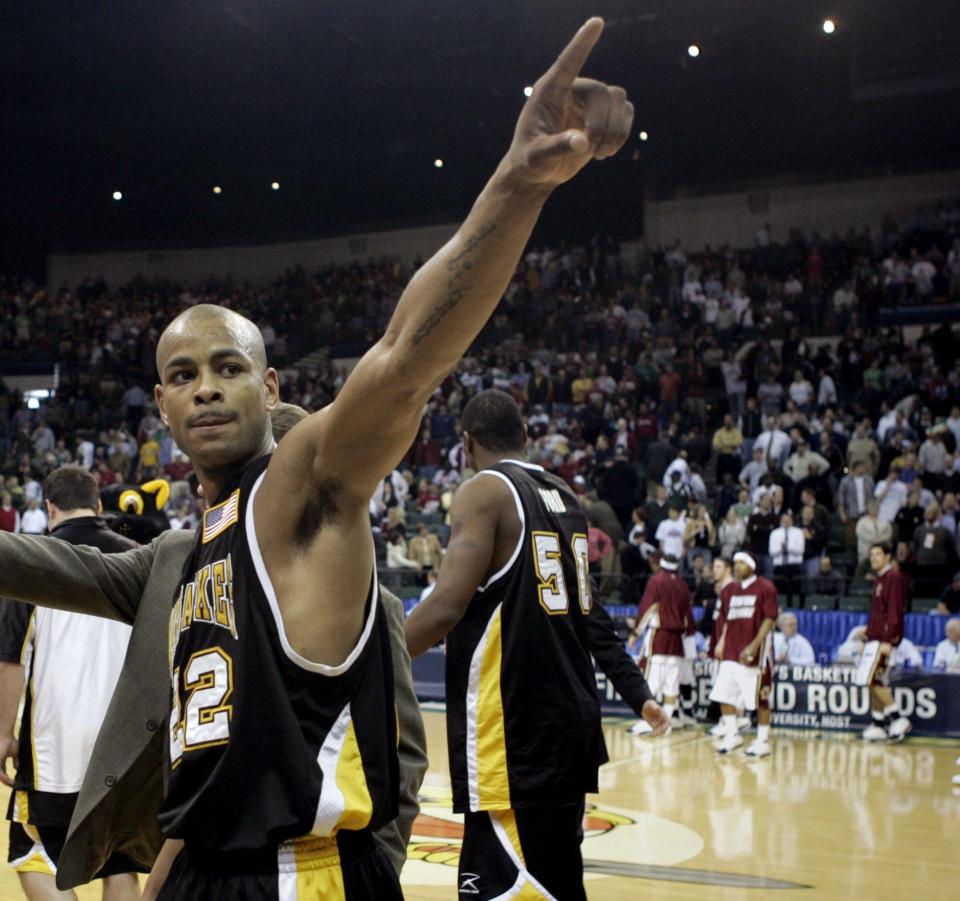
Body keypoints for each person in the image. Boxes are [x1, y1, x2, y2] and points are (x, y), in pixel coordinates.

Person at [404, 389, 606, 900]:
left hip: (515, 732)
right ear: (524, 437)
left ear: (467, 444)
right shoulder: (564, 493)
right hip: (570, 728)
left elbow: (447, 606)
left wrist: (369, 656)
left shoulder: (484, 491)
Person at [0, 467, 141, 901]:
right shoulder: (138, 557)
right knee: (120, 860)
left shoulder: (31, 561)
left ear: (49, 508)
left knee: (33, 855)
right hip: (126, 745)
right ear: (99, 506)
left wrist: (2, 733)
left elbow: (11, 660)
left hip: (54, 746)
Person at [709, 552, 779, 757]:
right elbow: (725, 619)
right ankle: (732, 735)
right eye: (736, 563)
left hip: (756, 655)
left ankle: (763, 740)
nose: (738, 566)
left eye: (742, 563)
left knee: (760, 699)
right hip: (731, 651)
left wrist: (755, 645)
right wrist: (721, 642)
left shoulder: (765, 587)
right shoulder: (729, 589)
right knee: (723, 694)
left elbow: (770, 619)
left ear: (751, 565)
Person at [853, 544, 912, 743]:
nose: (874, 558)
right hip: (875, 639)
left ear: (888, 557)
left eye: (878, 554)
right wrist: (867, 634)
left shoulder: (893, 577)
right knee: (875, 682)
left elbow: (895, 611)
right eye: (871, 554)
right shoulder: (879, 579)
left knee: (873, 680)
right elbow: (880, 613)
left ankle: (898, 719)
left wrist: (888, 640)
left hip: (883, 641)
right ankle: (878, 724)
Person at [630, 554, 693, 734]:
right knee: (671, 684)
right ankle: (667, 722)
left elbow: (647, 608)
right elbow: (688, 616)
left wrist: (635, 633)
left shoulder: (656, 581)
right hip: (678, 640)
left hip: (659, 635)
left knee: (650, 681)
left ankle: (649, 721)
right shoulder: (682, 584)